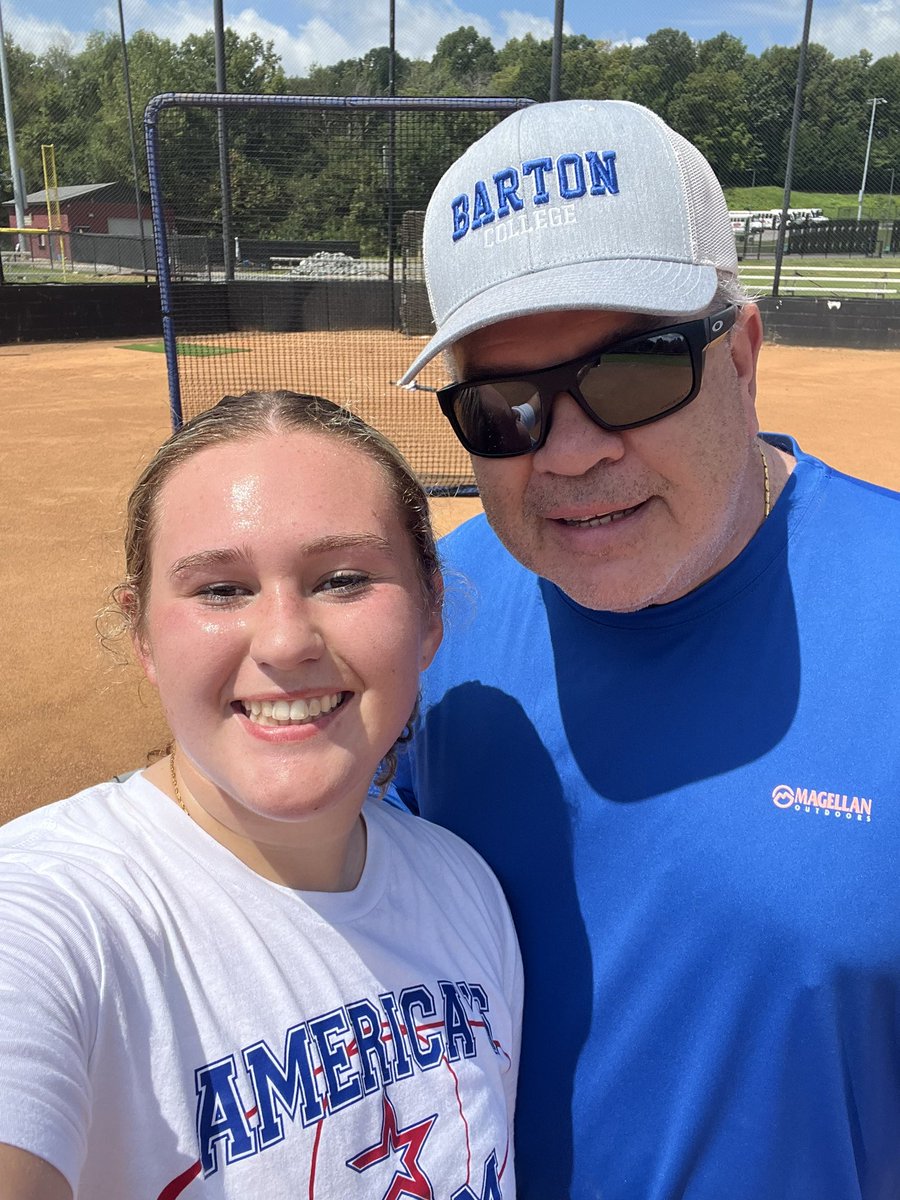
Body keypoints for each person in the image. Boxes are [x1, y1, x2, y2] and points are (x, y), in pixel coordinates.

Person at [390, 99, 900, 1198]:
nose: (569, 453)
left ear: (746, 354)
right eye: (505, 407)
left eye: (633, 372)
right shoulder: (429, 621)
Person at [0, 390, 522, 1199]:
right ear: (142, 635)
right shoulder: (51, 920)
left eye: (344, 579)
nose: (284, 641)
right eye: (220, 590)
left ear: (429, 615)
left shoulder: (465, 890)